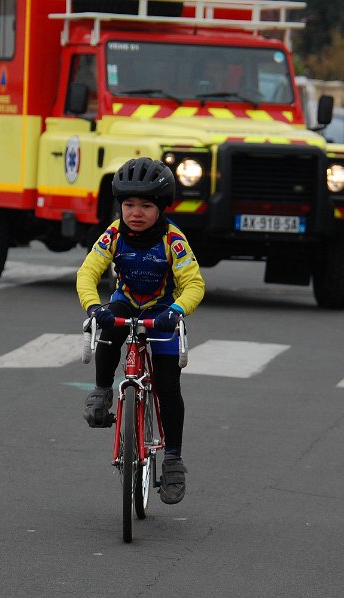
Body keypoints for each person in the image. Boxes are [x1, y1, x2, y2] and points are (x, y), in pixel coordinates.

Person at [76, 157, 205, 505]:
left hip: (162, 311)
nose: (135, 212)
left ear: (161, 208)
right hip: (126, 302)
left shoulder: (173, 239)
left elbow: (194, 284)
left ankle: (173, 460)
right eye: (129, 204)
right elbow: (88, 273)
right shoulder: (113, 234)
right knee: (109, 323)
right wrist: (93, 307)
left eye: (146, 206)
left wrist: (176, 311)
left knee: (167, 386)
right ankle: (102, 391)